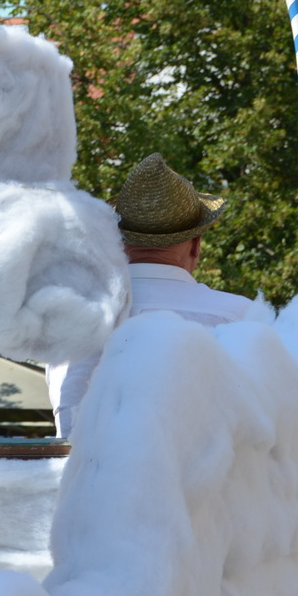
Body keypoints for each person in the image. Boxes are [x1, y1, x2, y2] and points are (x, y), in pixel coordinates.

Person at [46, 152, 253, 438]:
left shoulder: (73, 317)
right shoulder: (243, 317)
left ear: (119, 240)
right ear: (196, 245)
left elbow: (70, 424)